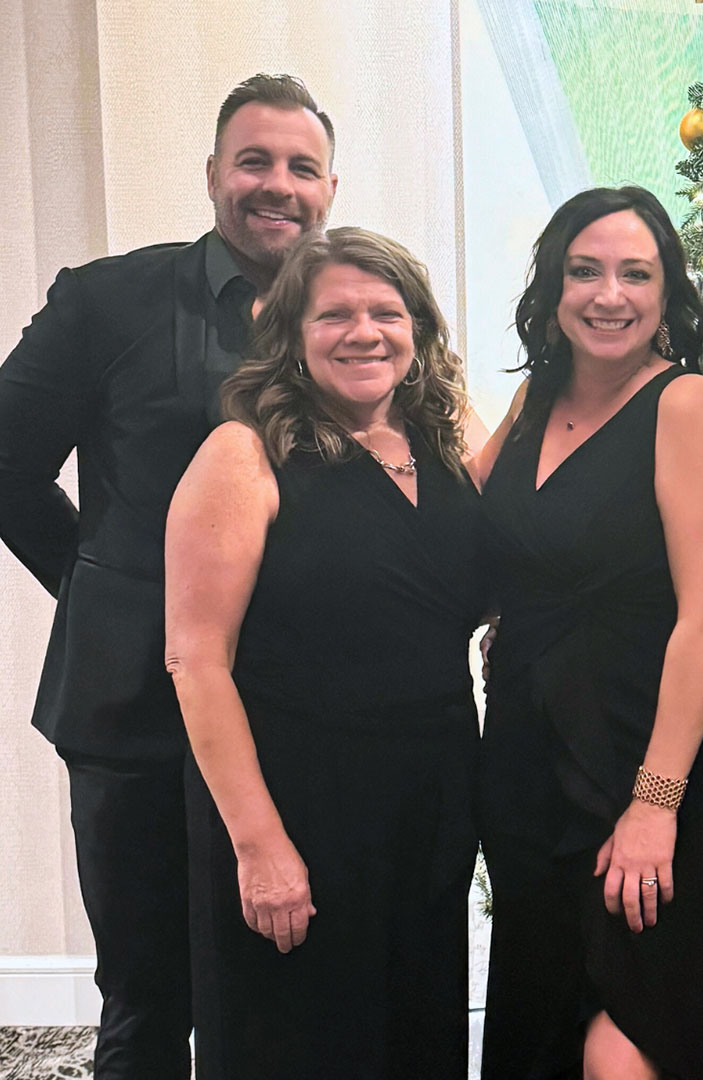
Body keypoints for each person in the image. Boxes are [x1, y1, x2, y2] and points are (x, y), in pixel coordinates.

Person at [0, 73, 337, 1080]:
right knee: (147, 996)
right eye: (255, 161)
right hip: (131, 711)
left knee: (285, 984)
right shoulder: (108, 301)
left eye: (301, 167)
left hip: (299, 713)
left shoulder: (354, 316)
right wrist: (102, 586)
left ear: (330, 187)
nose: (277, 185)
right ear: (213, 176)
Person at [164, 226, 484, 1077]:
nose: (364, 331)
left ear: (417, 329)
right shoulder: (245, 453)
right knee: (300, 1040)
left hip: (430, 801)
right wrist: (260, 845)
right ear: (289, 334)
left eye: (387, 311)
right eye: (335, 314)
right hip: (299, 798)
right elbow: (196, 659)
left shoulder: (443, 444)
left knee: (415, 1034)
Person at [472, 185, 703, 1080]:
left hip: (635, 758)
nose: (609, 294)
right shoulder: (530, 404)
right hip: (523, 761)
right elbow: (453, 540)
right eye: (584, 271)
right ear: (552, 287)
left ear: (668, 296)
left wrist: (655, 801)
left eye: (637, 273)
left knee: (627, 1043)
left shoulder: (685, 405)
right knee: (542, 1017)